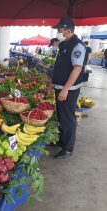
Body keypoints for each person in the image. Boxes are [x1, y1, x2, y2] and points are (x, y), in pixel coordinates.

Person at [52, 17, 86, 159]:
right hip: (59, 86)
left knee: (67, 118)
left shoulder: (78, 46)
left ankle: (68, 147)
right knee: (60, 115)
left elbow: (77, 69)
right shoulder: (63, 44)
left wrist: (65, 89)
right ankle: (62, 140)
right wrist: (52, 83)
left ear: (67, 30)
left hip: (69, 90)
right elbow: (59, 66)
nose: (58, 31)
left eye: (60, 29)